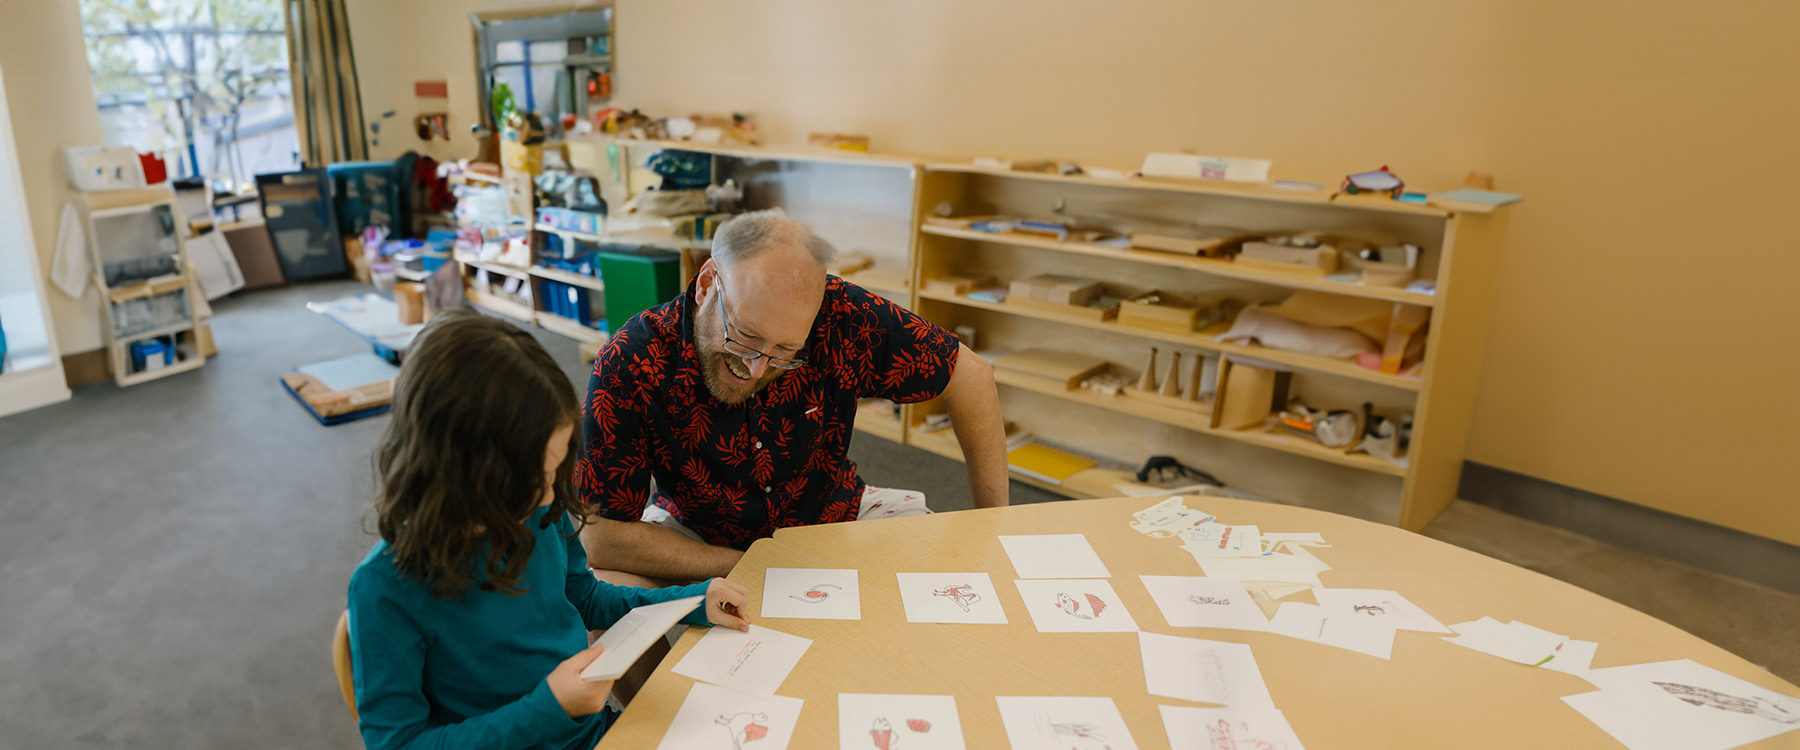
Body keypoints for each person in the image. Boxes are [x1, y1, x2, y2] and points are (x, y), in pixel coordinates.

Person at [347, 309, 751, 750]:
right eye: (534, 477)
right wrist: (548, 707)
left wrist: (691, 599)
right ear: (463, 469)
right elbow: (398, 744)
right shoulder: (385, 587)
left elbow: (587, 599)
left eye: (556, 467)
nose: (549, 496)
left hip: (591, 732)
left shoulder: (540, 510)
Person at [576, 210, 1008, 587]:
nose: (758, 368)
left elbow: (970, 374)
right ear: (709, 283)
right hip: (697, 531)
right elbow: (601, 538)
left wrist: (991, 530)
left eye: (786, 352)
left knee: (956, 582)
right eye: (745, 337)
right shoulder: (631, 361)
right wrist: (750, 565)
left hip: (830, 511)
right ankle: (664, 686)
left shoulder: (841, 314)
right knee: (604, 591)